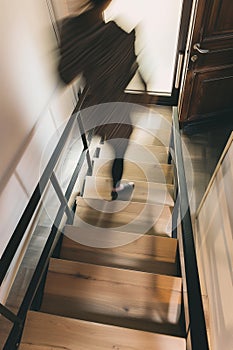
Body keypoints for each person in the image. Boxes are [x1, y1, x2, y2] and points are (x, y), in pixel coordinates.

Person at [58, 0, 141, 200]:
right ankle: (116, 188)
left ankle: (107, 173)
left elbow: (64, 75)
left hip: (90, 107)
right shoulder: (116, 35)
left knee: (106, 140)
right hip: (114, 108)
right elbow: (127, 74)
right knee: (120, 150)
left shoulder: (71, 28)